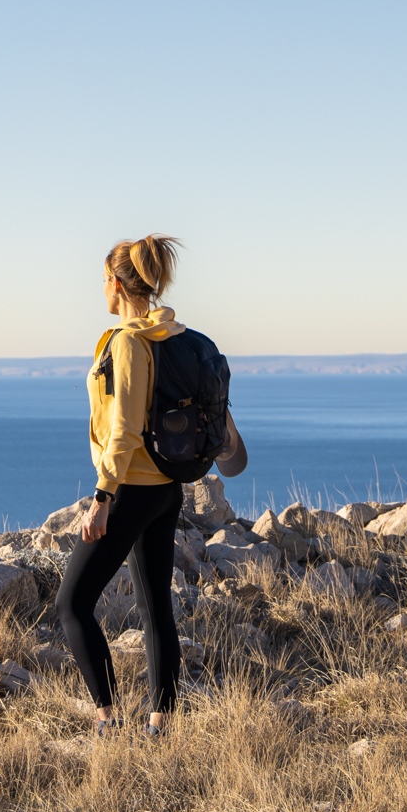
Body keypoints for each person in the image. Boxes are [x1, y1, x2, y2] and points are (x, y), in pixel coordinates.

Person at [54, 234, 242, 739]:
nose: (102, 290)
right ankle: (159, 726)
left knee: (71, 604)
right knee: (156, 606)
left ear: (116, 284)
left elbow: (125, 428)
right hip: (166, 490)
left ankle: (107, 720)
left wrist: (102, 496)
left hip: (133, 489)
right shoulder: (174, 334)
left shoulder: (131, 341)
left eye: (103, 281)